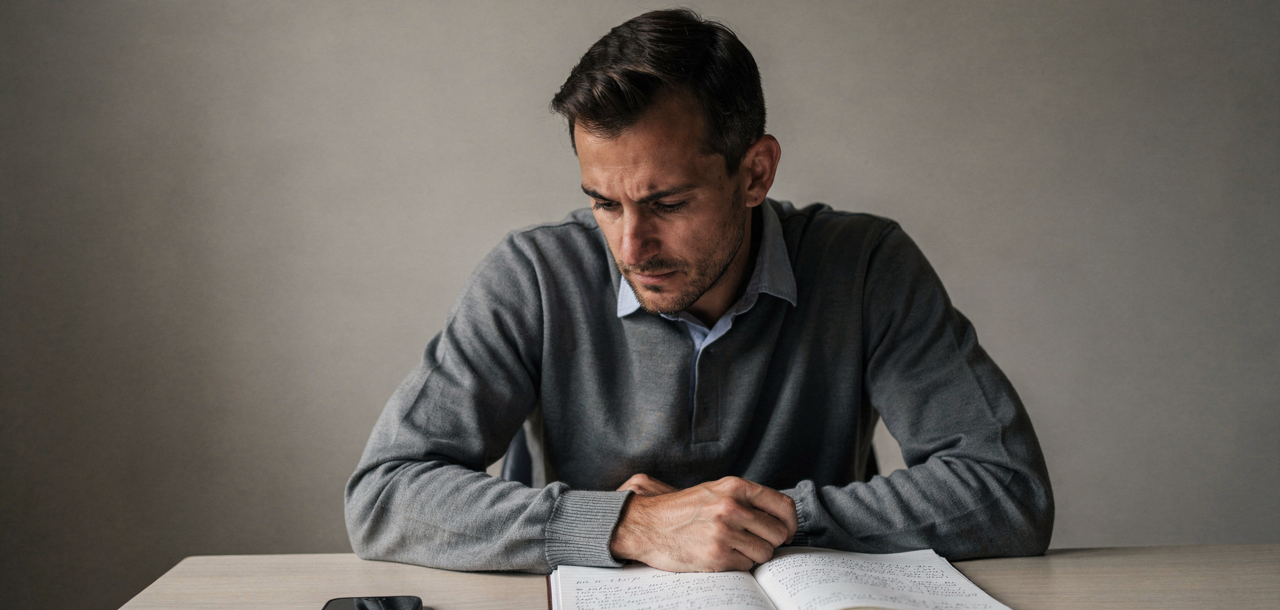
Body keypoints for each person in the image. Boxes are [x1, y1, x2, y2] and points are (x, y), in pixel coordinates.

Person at [344, 9, 1053, 574]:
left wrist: (762, 521)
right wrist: (627, 526)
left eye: (668, 204)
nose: (630, 248)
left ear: (755, 173)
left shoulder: (866, 266)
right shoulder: (532, 276)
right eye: (605, 203)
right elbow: (385, 493)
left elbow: (1008, 489)